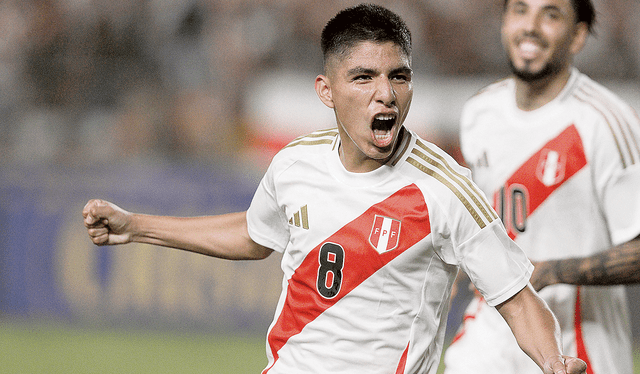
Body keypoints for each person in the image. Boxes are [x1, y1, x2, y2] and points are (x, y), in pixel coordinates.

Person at [83, 4, 587, 374]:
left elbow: (516, 297)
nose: (385, 93)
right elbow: (255, 235)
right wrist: (137, 227)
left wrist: (554, 363)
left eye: (398, 76)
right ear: (326, 90)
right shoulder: (294, 164)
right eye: (363, 78)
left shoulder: (446, 188)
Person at [445, 0, 640, 373]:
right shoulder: (478, 113)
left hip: (578, 346)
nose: (531, 25)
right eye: (520, 10)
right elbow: (482, 223)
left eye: (550, 14)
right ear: (504, 23)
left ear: (578, 35)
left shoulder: (606, 123)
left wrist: (552, 270)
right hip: (491, 337)